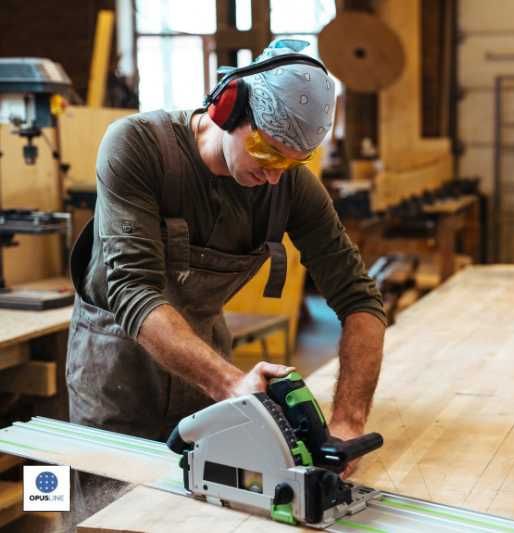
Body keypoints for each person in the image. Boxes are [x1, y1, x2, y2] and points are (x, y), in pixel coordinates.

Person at [66, 39, 386, 515]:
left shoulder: (289, 185)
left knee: (204, 515)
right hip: (116, 376)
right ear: (227, 108)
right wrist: (230, 383)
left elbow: (360, 299)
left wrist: (348, 419)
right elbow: (133, 291)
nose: (274, 176)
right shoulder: (136, 146)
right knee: (100, 514)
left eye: (291, 162)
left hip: (209, 384)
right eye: (266, 151)